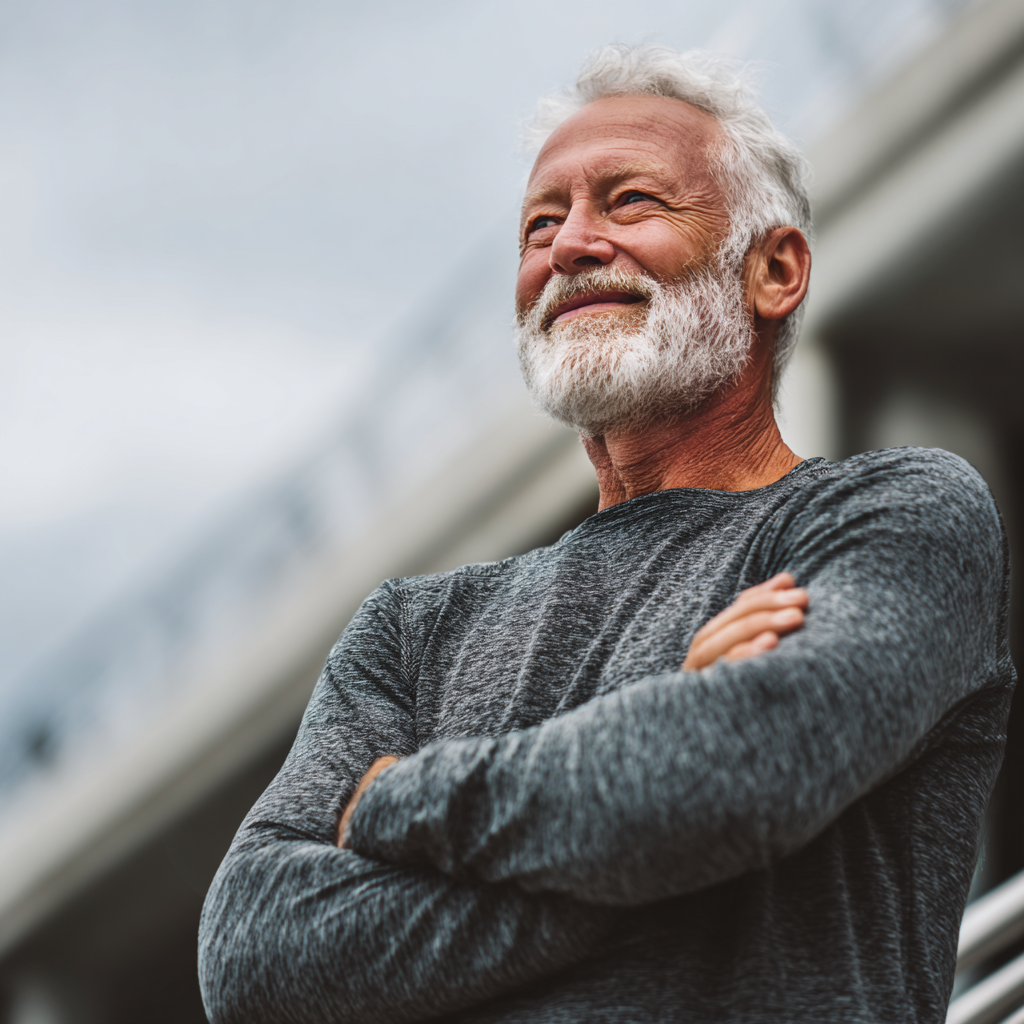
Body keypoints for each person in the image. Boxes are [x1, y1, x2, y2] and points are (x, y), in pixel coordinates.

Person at [198, 45, 1013, 1024]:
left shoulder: (892, 513)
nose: (570, 247)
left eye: (629, 203)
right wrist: (656, 785)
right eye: (540, 223)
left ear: (774, 269)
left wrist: (392, 799)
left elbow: (738, 779)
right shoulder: (408, 634)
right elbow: (252, 953)